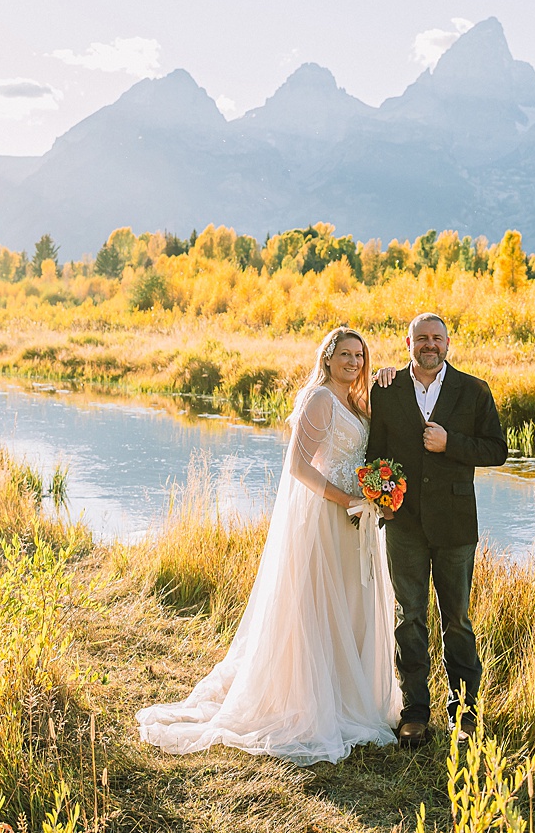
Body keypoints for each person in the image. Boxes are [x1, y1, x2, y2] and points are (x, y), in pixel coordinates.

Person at [136, 326, 400, 764]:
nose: (354, 362)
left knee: (351, 602)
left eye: (360, 355)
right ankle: (314, 703)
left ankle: (346, 696)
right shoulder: (319, 399)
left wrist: (388, 375)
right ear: (328, 357)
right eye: (346, 354)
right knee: (318, 605)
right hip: (327, 516)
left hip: (356, 517)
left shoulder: (354, 400)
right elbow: (298, 466)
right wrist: (349, 499)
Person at [368, 312, 507, 747]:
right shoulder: (386, 389)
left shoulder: (474, 389)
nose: (430, 345)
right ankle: (415, 713)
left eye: (437, 338)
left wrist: (452, 444)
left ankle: (464, 715)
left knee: (458, 621)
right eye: (421, 338)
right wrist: (382, 502)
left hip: (455, 525)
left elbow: (498, 451)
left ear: (448, 343)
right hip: (403, 525)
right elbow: (374, 455)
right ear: (408, 343)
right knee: (408, 618)